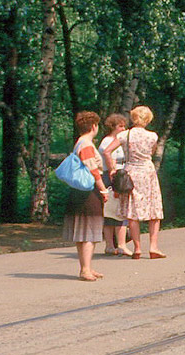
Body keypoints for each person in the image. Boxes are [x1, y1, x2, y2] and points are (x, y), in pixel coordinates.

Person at [63, 111, 109, 282]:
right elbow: (93, 170)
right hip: (88, 192)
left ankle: (86, 266)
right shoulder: (87, 144)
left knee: (83, 230)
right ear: (94, 126)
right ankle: (85, 269)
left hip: (78, 191)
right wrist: (103, 189)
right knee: (90, 230)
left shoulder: (79, 143)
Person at [118, 105, 165, 259]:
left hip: (131, 172)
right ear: (147, 119)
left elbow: (106, 150)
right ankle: (153, 247)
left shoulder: (124, 135)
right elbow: (151, 152)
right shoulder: (152, 136)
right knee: (154, 209)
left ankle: (137, 248)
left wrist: (113, 169)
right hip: (147, 172)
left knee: (132, 211)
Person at [98, 113, 131, 256]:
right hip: (112, 177)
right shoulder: (107, 141)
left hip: (121, 175)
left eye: (124, 125)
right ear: (113, 127)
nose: (123, 128)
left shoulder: (121, 141)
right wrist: (112, 170)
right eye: (120, 126)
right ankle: (114, 245)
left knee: (117, 210)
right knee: (114, 211)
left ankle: (115, 244)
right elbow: (107, 155)